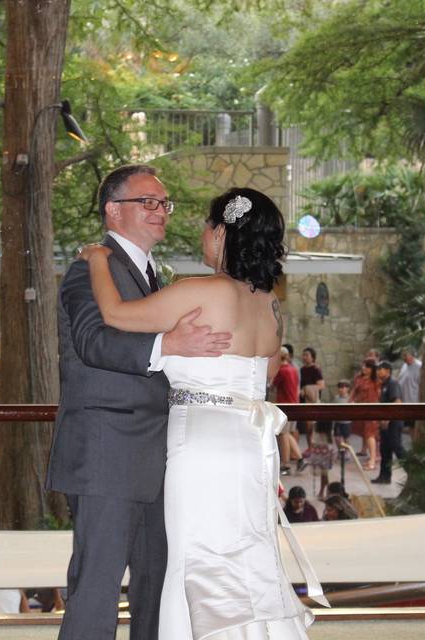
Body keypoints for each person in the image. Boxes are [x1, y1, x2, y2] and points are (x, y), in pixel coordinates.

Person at [78, 185, 327, 638]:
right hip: (252, 447)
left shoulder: (198, 291)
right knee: (249, 555)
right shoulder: (269, 304)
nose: (202, 232)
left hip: (202, 447)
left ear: (221, 235)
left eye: (208, 226)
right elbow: (267, 370)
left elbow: (114, 314)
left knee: (198, 557)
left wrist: (96, 258)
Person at [46, 164, 235, 640]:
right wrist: (167, 345)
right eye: (147, 202)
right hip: (107, 453)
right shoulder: (89, 266)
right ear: (113, 210)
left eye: (164, 203)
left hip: (160, 458)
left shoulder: (154, 275)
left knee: (157, 589)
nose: (160, 211)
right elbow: (92, 341)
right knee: (97, 588)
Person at [272, 344, 304, 475]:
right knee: (287, 434)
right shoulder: (293, 369)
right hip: (294, 404)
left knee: (283, 434)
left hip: (285, 405)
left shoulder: (282, 370)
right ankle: (300, 458)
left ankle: (285, 465)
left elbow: (273, 385)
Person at [373, 362, 406, 484]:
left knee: (397, 447)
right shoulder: (383, 385)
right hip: (384, 424)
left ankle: (413, 472)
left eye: (380, 369)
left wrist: (387, 418)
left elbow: (397, 402)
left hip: (394, 422)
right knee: (384, 450)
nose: (377, 371)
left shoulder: (393, 384)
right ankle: (384, 476)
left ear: (387, 371)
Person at [350, 358, 381, 470]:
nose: (363, 368)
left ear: (372, 369)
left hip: (373, 410)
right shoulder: (359, 378)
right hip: (361, 409)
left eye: (367, 366)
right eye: (363, 366)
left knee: (370, 434)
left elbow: (380, 394)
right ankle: (374, 456)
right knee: (367, 434)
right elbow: (354, 391)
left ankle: (372, 460)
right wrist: (350, 402)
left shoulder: (376, 380)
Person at [298, 347, 325, 447]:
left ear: (313, 357)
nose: (304, 357)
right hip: (303, 401)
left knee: (311, 426)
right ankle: (310, 447)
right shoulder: (301, 369)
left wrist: (306, 389)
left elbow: (321, 385)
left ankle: (312, 448)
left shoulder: (316, 369)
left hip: (313, 401)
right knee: (306, 426)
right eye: (303, 355)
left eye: (307, 355)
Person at [332, 380, 352, 452]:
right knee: (337, 437)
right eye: (340, 387)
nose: (342, 389)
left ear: (347, 389)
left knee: (346, 438)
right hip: (338, 421)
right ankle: (340, 451)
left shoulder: (350, 398)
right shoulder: (336, 398)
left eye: (344, 387)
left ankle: (347, 452)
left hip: (346, 422)